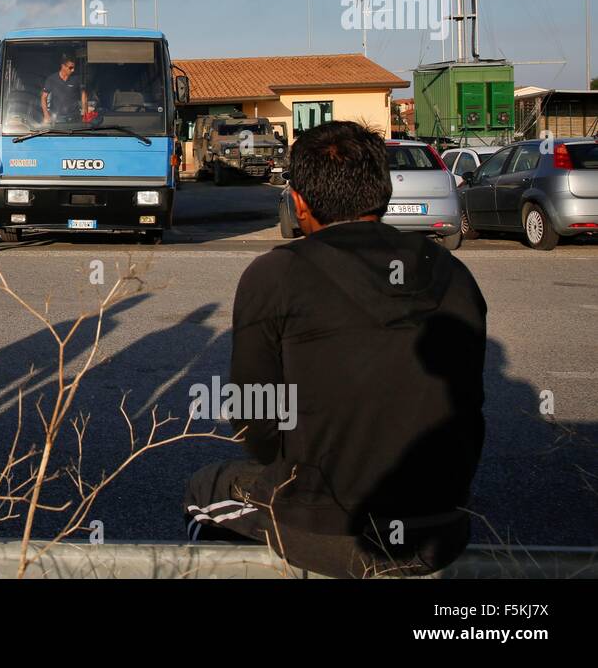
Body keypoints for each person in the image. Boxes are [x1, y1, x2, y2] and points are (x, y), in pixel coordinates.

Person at [183, 120, 486, 578]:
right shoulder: (451, 272)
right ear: (383, 194)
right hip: (437, 530)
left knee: (205, 490)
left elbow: (255, 424)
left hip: (326, 534)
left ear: (299, 203)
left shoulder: (275, 275)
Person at [41, 54, 87, 125]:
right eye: (71, 68)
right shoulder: (51, 79)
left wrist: (85, 111)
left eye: (74, 68)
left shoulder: (76, 79)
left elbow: (83, 94)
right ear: (63, 66)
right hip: (57, 118)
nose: (73, 70)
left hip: (74, 117)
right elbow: (44, 97)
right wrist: (46, 114)